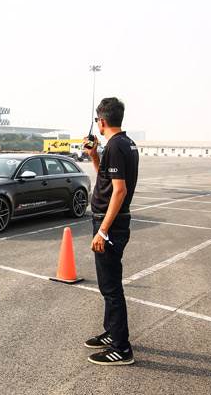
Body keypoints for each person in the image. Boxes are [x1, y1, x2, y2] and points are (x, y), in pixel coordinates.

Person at [83, 97, 139, 366]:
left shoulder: (116, 146)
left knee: (111, 287)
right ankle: (112, 333)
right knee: (108, 287)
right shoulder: (124, 144)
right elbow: (106, 181)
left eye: (97, 121)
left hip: (110, 226)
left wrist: (102, 231)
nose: (97, 125)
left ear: (102, 121)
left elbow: (120, 191)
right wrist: (94, 156)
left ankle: (122, 348)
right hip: (112, 223)